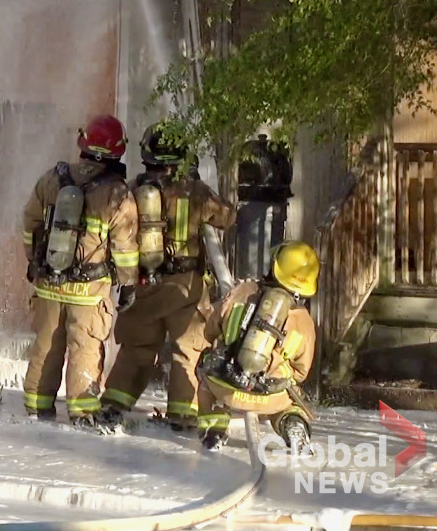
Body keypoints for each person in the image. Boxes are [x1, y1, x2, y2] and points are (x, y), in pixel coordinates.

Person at [92, 121, 236, 434]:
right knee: (188, 351)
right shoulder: (193, 191)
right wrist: (198, 183)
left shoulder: (131, 190)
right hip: (185, 288)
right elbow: (227, 216)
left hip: (144, 285)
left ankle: (114, 405)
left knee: (136, 349)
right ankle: (183, 416)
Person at [20, 114, 139, 426]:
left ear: (83, 144)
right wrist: (127, 285)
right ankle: (83, 412)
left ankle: (36, 407)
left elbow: (30, 224)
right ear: (118, 151)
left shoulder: (51, 180)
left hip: (49, 284)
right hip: (89, 291)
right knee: (84, 349)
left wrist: (35, 262)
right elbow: (125, 248)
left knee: (46, 346)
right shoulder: (117, 195)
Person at [195, 240, 319, 453]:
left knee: (205, 375)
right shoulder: (304, 320)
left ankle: (213, 428)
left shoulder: (241, 292)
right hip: (270, 396)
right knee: (290, 399)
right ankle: (291, 422)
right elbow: (301, 371)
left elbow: (210, 331)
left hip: (226, 388)